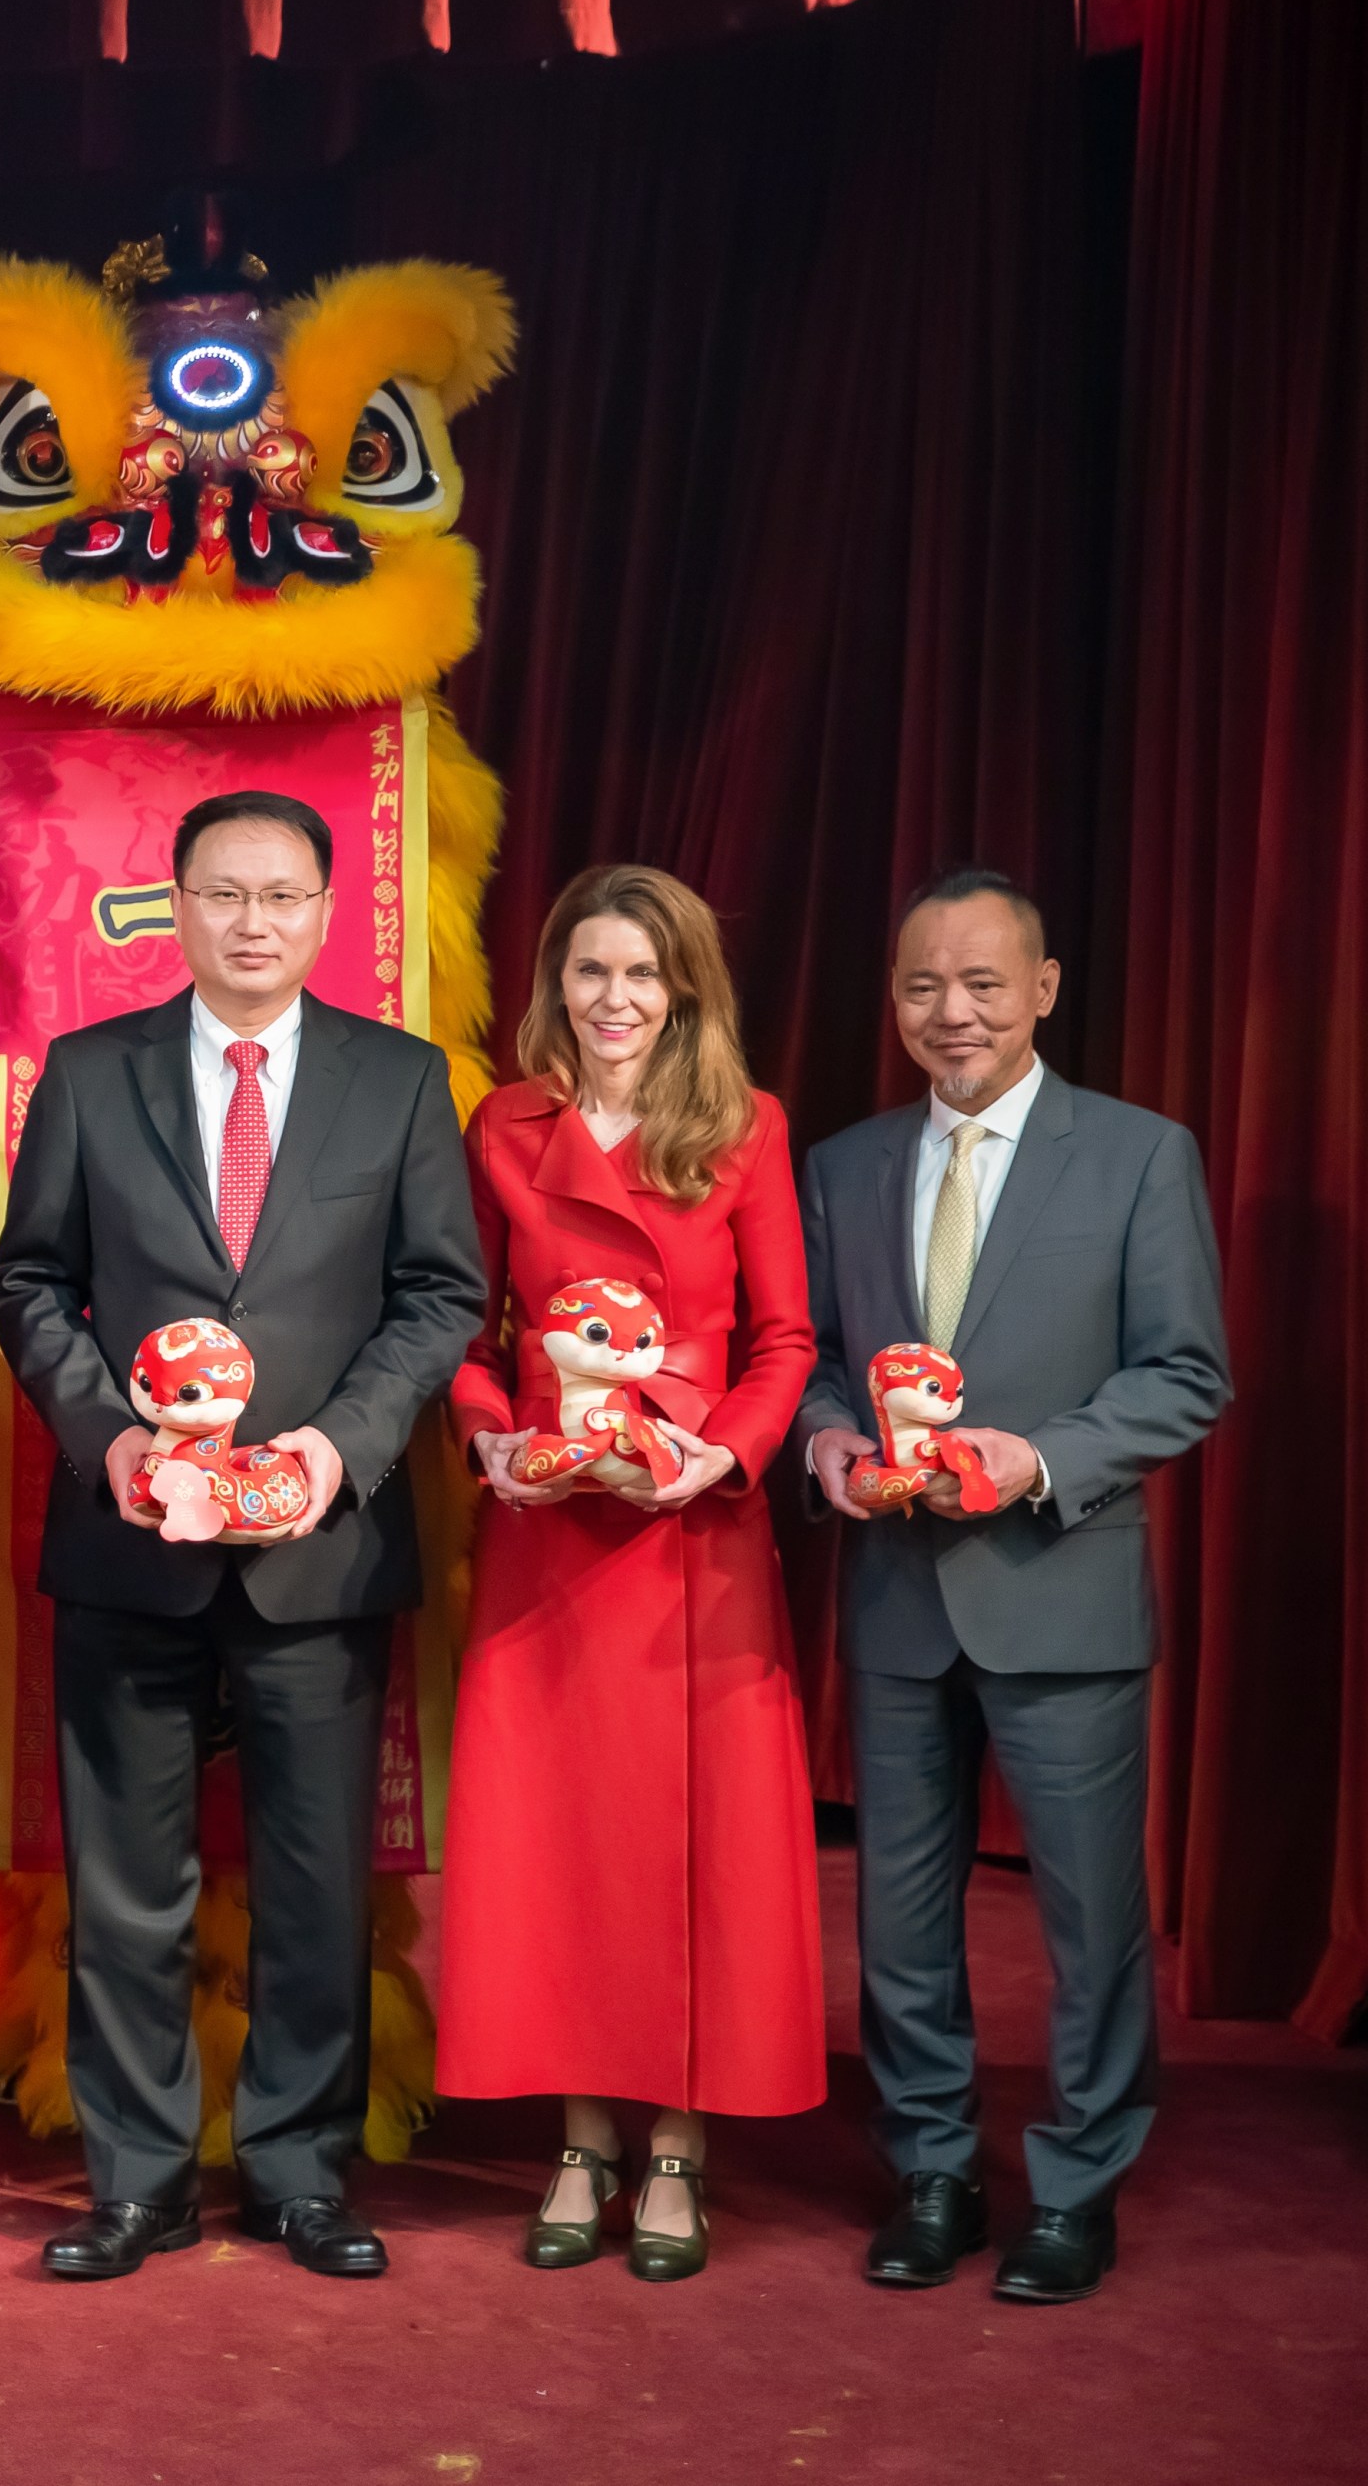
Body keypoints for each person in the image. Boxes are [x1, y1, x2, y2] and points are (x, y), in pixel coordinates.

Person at [0, 790, 482, 2283]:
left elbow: (441, 1294)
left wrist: (341, 1448)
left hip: (318, 1549)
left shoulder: (399, 1084)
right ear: (178, 906)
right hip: (130, 1541)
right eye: (223, 894)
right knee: (127, 1883)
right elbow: (31, 1283)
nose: (252, 921)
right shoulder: (91, 1072)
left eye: (280, 896)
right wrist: (111, 1438)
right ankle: (132, 2179)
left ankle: (299, 2172)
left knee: (317, 1879)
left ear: (327, 916)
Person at [798, 869, 1229, 2307]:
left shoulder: (1138, 1155)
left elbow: (1185, 1375)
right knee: (899, 1915)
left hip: (1062, 1588)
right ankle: (932, 2168)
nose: (952, 1012)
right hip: (899, 1600)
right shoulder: (845, 1165)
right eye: (924, 986)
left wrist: (1033, 1461)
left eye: (984, 984)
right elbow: (803, 1363)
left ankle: (1077, 2185)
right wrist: (830, 1447)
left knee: (1090, 1917)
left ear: (1043, 990)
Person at [437, 865, 823, 2281]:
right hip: (549, 1530)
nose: (615, 1001)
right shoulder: (503, 1127)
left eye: (643, 975)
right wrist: (492, 1443)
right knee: (564, 1847)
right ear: (557, 984)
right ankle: (581, 2135)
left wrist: (720, 1457)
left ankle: (675, 2149)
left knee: (684, 1848)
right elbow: (470, 1337)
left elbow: (786, 1339)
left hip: (690, 1534)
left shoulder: (746, 1128)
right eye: (591, 972)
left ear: (686, 991)